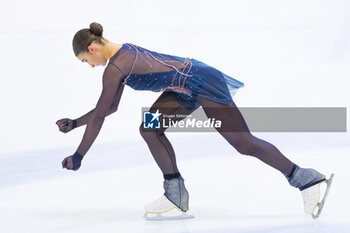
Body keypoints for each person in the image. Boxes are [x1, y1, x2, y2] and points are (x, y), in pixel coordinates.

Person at [56, 22, 334, 220]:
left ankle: (306, 180)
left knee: (242, 142)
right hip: (183, 86)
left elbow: (103, 114)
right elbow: (108, 108)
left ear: (92, 48)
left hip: (201, 81)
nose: (90, 66)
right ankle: (175, 194)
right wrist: (75, 122)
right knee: (149, 129)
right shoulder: (119, 57)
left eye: (85, 61)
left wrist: (79, 155)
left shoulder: (116, 67)